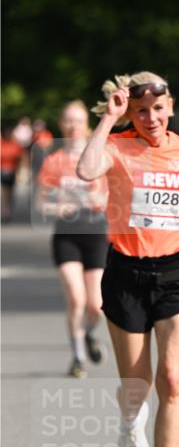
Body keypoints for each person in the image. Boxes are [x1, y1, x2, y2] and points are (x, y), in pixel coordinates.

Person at [77, 72, 179, 447]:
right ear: (129, 113)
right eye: (140, 110)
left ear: (171, 107)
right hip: (126, 272)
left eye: (158, 109)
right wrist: (108, 121)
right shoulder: (117, 146)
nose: (150, 118)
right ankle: (130, 420)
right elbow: (84, 170)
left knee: (173, 380)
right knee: (137, 387)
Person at [36, 100, 108, 378]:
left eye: (78, 121)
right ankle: (78, 357)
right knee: (76, 299)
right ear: (61, 124)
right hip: (66, 235)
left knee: (97, 306)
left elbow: (113, 196)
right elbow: (40, 203)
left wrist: (97, 199)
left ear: (87, 126)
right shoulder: (54, 161)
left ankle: (89, 334)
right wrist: (57, 207)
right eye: (68, 120)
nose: (73, 126)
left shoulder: (98, 158)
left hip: (95, 233)